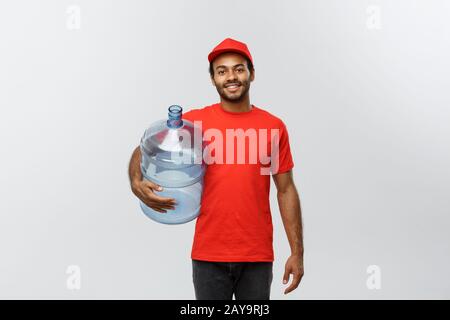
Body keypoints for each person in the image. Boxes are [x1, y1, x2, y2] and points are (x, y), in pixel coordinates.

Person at [128, 38, 304, 300]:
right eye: (222, 71)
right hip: (208, 254)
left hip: (256, 255)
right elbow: (144, 149)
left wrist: (297, 253)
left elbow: (286, 190)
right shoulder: (194, 124)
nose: (231, 76)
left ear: (251, 74)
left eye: (239, 68)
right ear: (213, 79)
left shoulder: (273, 127)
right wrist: (136, 181)